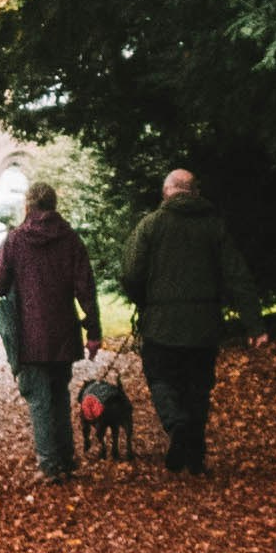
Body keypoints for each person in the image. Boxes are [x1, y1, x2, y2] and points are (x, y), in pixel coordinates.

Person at [115, 164, 253, 472]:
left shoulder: (151, 225)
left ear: (166, 192)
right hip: (204, 325)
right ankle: (196, 457)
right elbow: (237, 274)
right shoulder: (215, 227)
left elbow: (130, 272)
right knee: (198, 387)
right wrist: (254, 323)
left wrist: (144, 300)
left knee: (161, 378)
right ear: (195, 192)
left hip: (162, 323)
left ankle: (177, 426)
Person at [0, 178, 101, 485]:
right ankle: (66, 459)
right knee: (59, 395)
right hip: (63, 331)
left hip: (29, 334)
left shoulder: (15, 241)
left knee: (38, 399)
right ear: (54, 206)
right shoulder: (71, 240)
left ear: (28, 205)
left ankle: (50, 465)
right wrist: (93, 331)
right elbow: (86, 289)